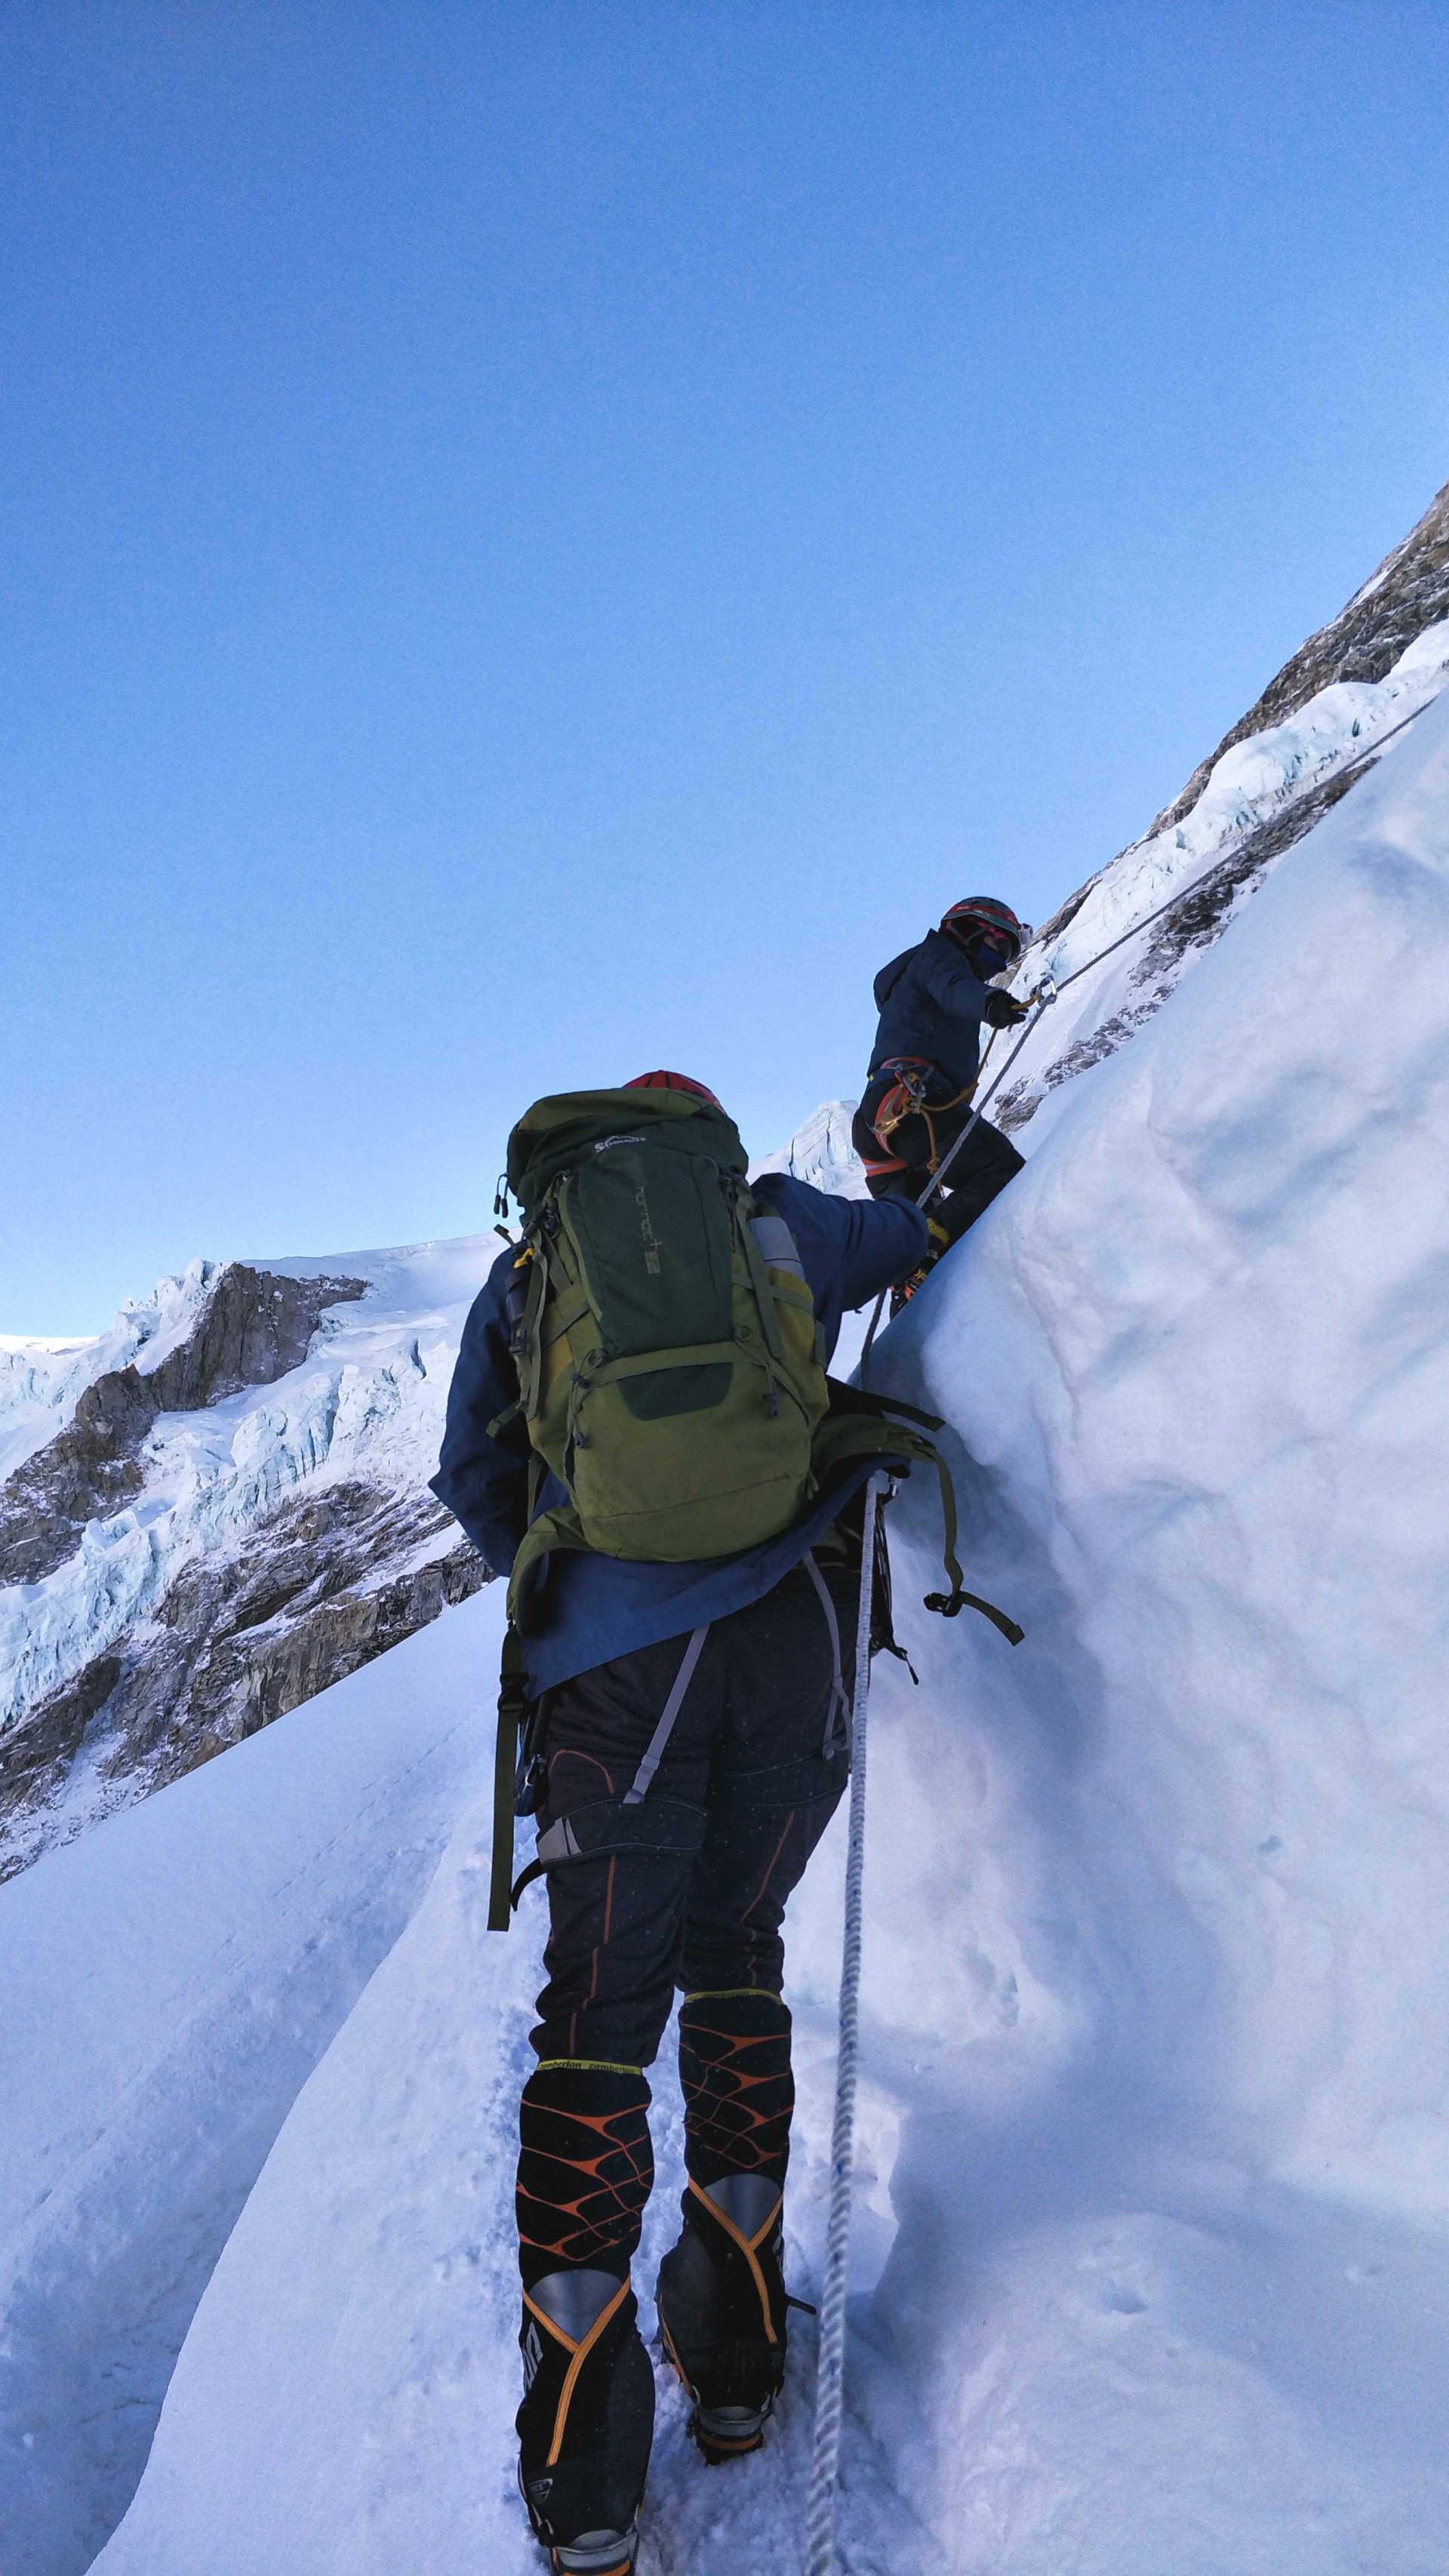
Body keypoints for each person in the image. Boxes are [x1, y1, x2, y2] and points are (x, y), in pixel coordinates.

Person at [432, 1071, 931, 2576]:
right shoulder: (779, 1228)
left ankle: (587, 2478)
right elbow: (909, 1233)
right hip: (797, 1648)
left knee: (597, 2019)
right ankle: (736, 2362)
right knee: (740, 1962)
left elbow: (473, 1473)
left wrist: (587, 1569)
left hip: (616, 1683)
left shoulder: (530, 1282)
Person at [851, 898, 1030, 1276]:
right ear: (970, 929)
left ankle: (910, 1295)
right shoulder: (939, 955)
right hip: (918, 1104)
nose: (995, 967)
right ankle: (929, 1245)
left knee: (915, 1239)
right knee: (1002, 1168)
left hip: (878, 1118)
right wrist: (991, 1002)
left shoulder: (909, 983)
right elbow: (955, 987)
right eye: (997, 952)